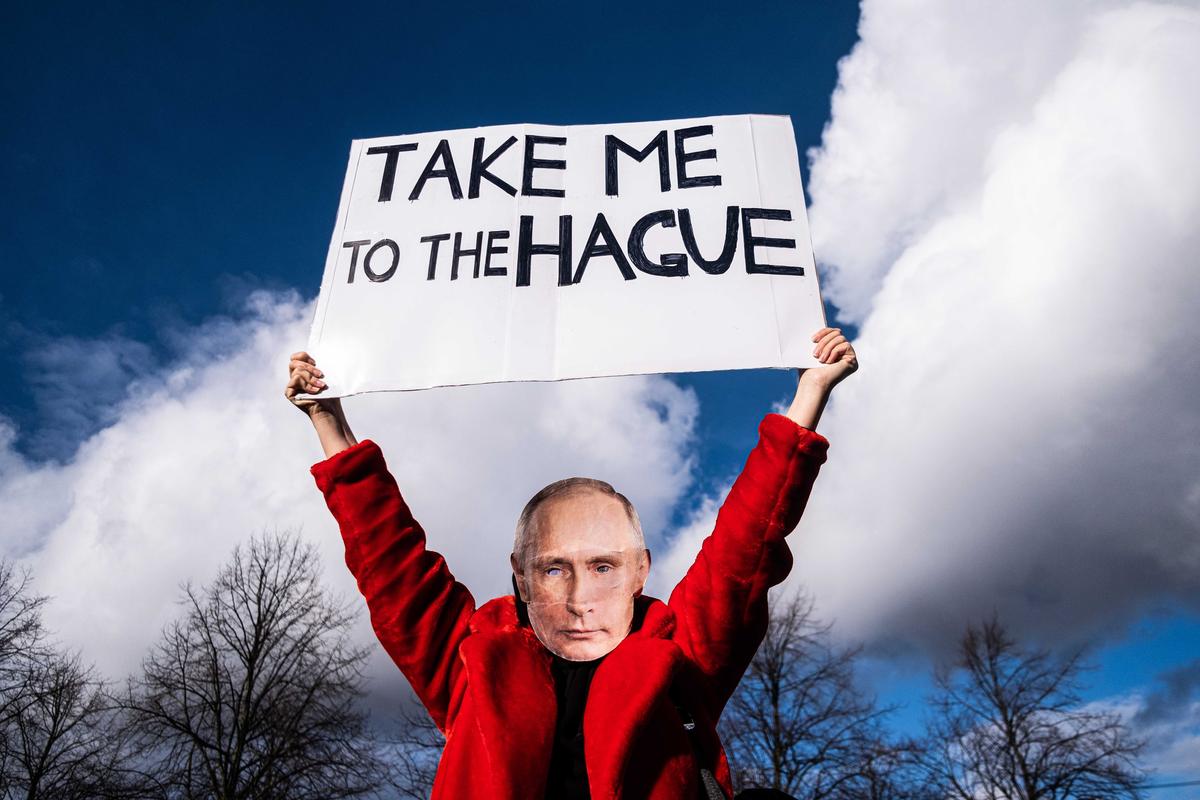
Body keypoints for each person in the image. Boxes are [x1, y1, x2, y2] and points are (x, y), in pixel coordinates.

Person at [286, 327, 857, 800]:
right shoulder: (471, 663)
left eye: (603, 565)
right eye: (555, 567)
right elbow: (394, 569)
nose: (580, 588)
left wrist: (809, 397)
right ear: (522, 576)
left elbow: (743, 550)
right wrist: (329, 424)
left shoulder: (680, 659)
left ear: (640, 571)